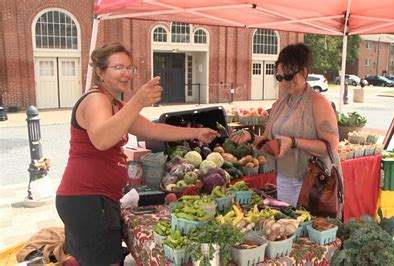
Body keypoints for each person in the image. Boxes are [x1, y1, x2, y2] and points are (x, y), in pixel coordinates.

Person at [55, 43, 219, 265]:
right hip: (88, 200)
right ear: (100, 72)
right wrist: (138, 101)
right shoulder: (96, 99)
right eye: (118, 67)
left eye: (129, 67)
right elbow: (102, 140)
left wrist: (197, 132)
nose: (126, 73)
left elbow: (155, 130)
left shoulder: (115, 104)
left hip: (96, 200)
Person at [231, 43, 342, 207]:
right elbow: (268, 141)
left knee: (311, 228)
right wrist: (251, 137)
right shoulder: (279, 104)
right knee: (289, 226)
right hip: (285, 179)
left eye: (288, 77)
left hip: (315, 183)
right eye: (279, 77)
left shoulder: (318, 102)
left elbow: (331, 147)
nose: (283, 82)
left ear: (303, 72)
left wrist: (294, 142)